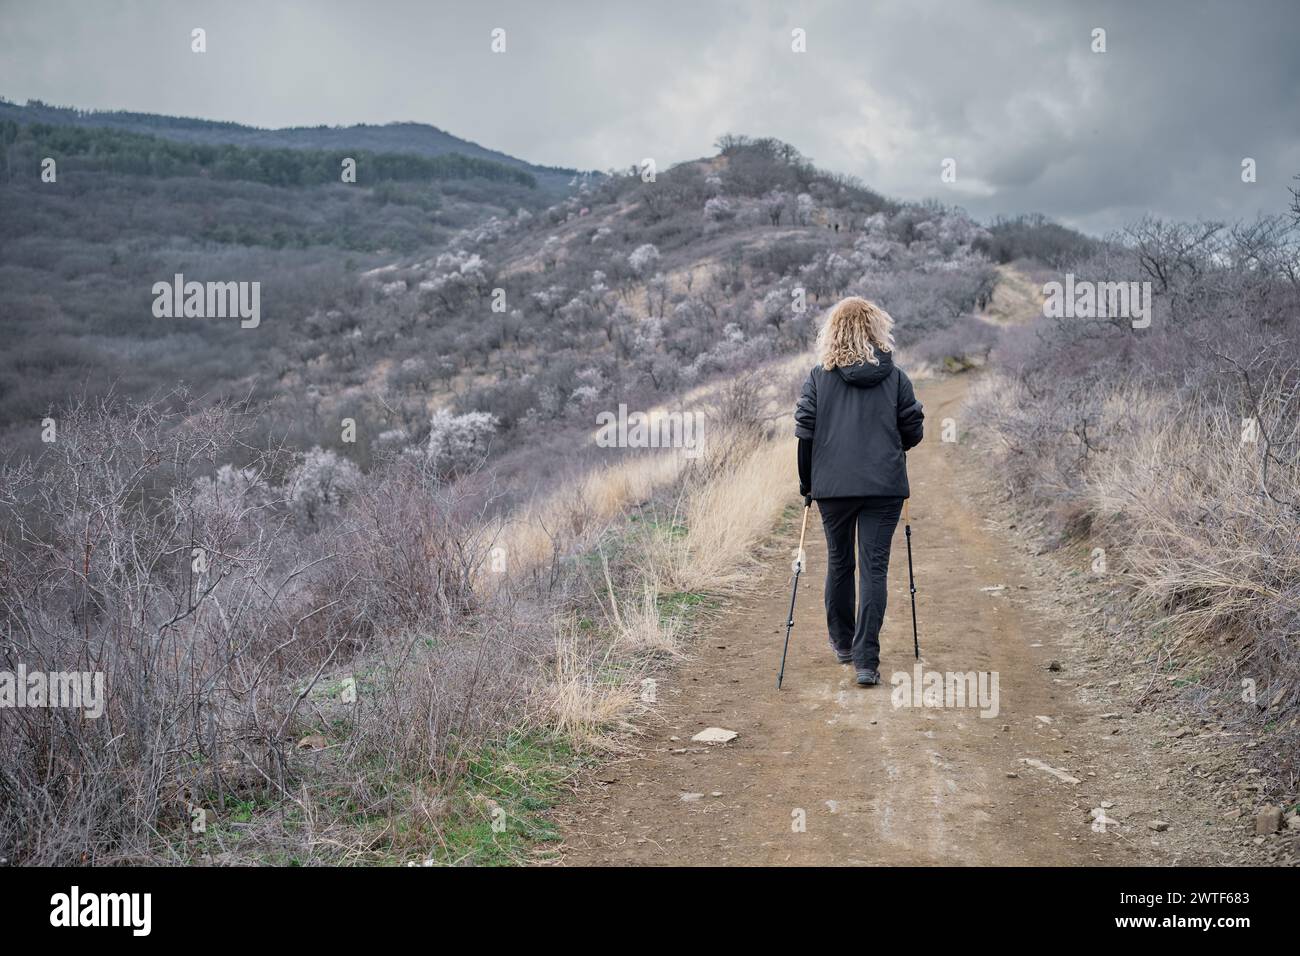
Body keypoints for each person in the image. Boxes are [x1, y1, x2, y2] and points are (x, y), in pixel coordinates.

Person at [793, 297, 924, 687]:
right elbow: (912, 431)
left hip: (832, 489)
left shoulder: (819, 377)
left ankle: (844, 644)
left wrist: (807, 485)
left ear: (833, 331)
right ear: (876, 328)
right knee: (874, 568)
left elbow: (805, 435)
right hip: (883, 488)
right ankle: (866, 660)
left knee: (840, 563)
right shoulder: (896, 377)